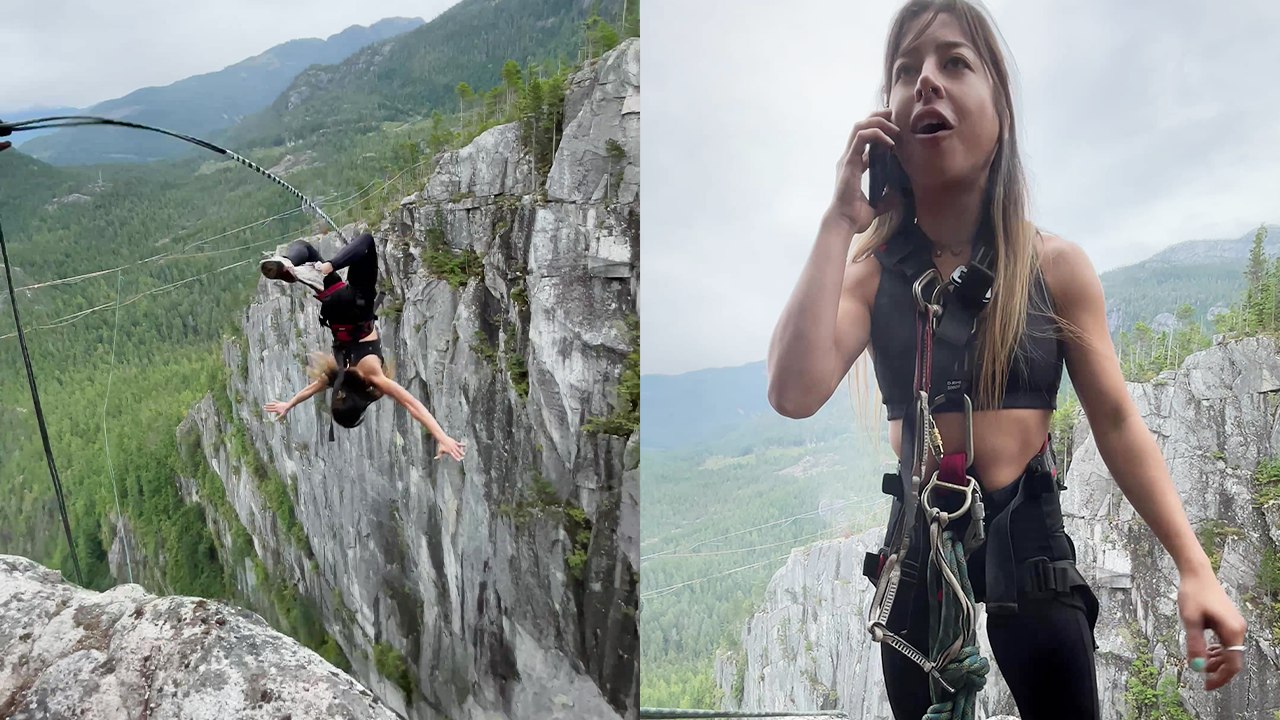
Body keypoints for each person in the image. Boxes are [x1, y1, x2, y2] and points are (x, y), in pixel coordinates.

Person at [766, 1, 1246, 717]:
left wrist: (1193, 566)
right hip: (920, 553)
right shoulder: (871, 276)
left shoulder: (1052, 268)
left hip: (1030, 543)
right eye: (905, 70)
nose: (925, 80)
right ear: (888, 121)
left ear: (1001, 110)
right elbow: (793, 389)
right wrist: (840, 221)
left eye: (954, 62)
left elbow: (1115, 421)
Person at [260, 231, 465, 461]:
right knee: (305, 249)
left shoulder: (374, 378)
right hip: (333, 306)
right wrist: (289, 404)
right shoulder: (338, 375)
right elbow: (313, 388)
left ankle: (314, 267)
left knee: (366, 242)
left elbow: (412, 404)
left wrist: (443, 437)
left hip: (356, 305)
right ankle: (292, 266)